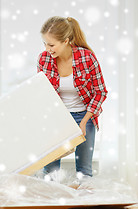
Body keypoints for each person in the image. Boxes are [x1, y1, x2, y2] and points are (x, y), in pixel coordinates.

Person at [37, 16, 108, 178]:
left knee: (84, 172)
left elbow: (100, 91)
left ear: (66, 41)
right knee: (50, 173)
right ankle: (53, 201)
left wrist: (84, 122)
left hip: (85, 116)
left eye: (51, 44)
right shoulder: (44, 59)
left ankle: (82, 203)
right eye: (45, 43)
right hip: (57, 118)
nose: (47, 48)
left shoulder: (87, 58)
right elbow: (42, 94)